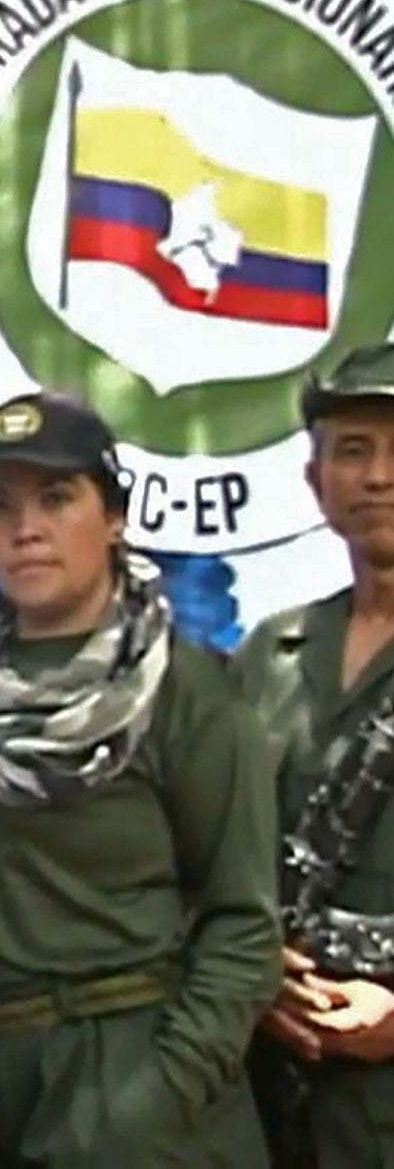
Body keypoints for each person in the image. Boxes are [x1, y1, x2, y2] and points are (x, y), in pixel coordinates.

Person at [0, 391, 279, 1165]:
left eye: (56, 498)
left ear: (114, 518)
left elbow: (241, 921)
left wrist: (154, 1103)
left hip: (135, 1079)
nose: (26, 529)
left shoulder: (181, 689)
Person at [240, 342, 394, 1163]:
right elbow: (210, 857)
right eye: (353, 450)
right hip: (275, 1100)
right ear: (314, 483)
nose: (377, 476)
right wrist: (256, 982)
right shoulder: (273, 653)